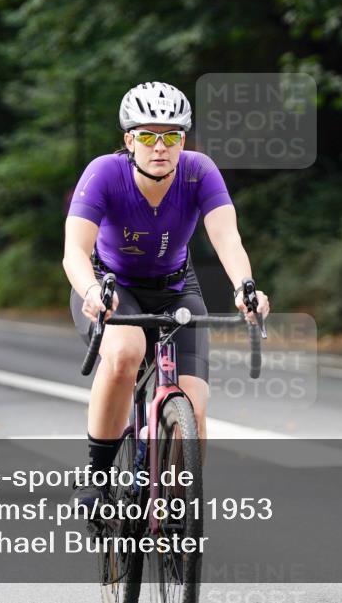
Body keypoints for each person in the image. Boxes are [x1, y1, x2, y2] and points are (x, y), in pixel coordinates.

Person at [62, 81, 270, 508]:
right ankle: (98, 477)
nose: (161, 147)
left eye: (172, 136)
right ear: (129, 140)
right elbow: (73, 253)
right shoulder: (104, 172)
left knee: (193, 410)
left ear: (184, 140)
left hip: (176, 288)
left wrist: (245, 288)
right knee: (125, 353)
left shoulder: (199, 171)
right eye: (148, 136)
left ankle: (176, 509)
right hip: (110, 288)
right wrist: (89, 291)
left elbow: (227, 238)